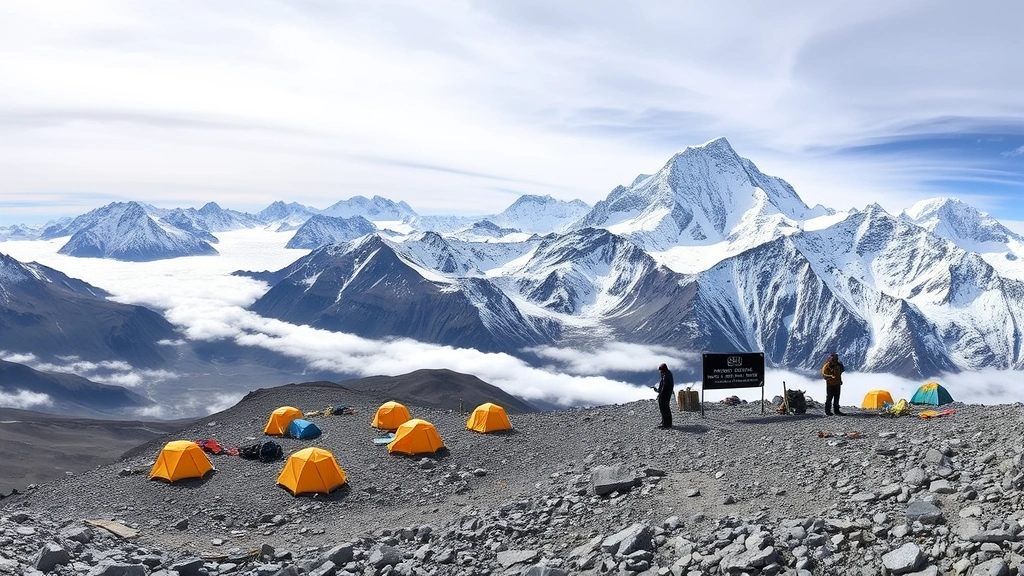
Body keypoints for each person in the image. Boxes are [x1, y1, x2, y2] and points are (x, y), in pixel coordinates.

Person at [654, 363, 674, 428]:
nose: (660, 372)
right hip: (666, 394)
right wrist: (657, 390)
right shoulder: (667, 374)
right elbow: (662, 386)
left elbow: (664, 387)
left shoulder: (666, 375)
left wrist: (660, 394)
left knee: (664, 408)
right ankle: (665, 422)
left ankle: (667, 424)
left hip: (665, 395)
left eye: (661, 370)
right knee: (664, 408)